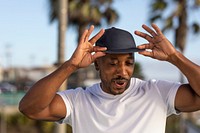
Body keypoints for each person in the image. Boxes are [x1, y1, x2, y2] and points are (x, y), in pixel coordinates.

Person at [19, 24, 200, 133]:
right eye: (113, 64)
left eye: (128, 63)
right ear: (97, 64)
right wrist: (71, 65)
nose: (122, 71)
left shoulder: (157, 92)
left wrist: (174, 57)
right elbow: (30, 108)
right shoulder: (78, 100)